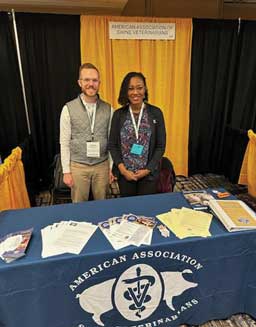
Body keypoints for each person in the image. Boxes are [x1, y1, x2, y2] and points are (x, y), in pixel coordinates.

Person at [60, 63, 114, 203]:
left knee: (102, 205)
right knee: (78, 207)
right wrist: (66, 171)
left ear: (99, 83)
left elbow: (112, 142)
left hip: (102, 166)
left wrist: (110, 168)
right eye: (87, 80)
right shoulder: (68, 109)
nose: (91, 84)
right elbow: (64, 142)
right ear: (80, 82)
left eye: (95, 80)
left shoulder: (109, 109)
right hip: (78, 166)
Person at [108, 72, 166, 197]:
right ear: (125, 91)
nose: (135, 92)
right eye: (131, 88)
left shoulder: (156, 113)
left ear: (145, 90)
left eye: (139, 88)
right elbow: (112, 145)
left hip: (148, 175)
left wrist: (147, 170)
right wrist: (123, 171)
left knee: (146, 210)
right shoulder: (118, 115)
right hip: (125, 176)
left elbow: (160, 146)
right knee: (128, 210)